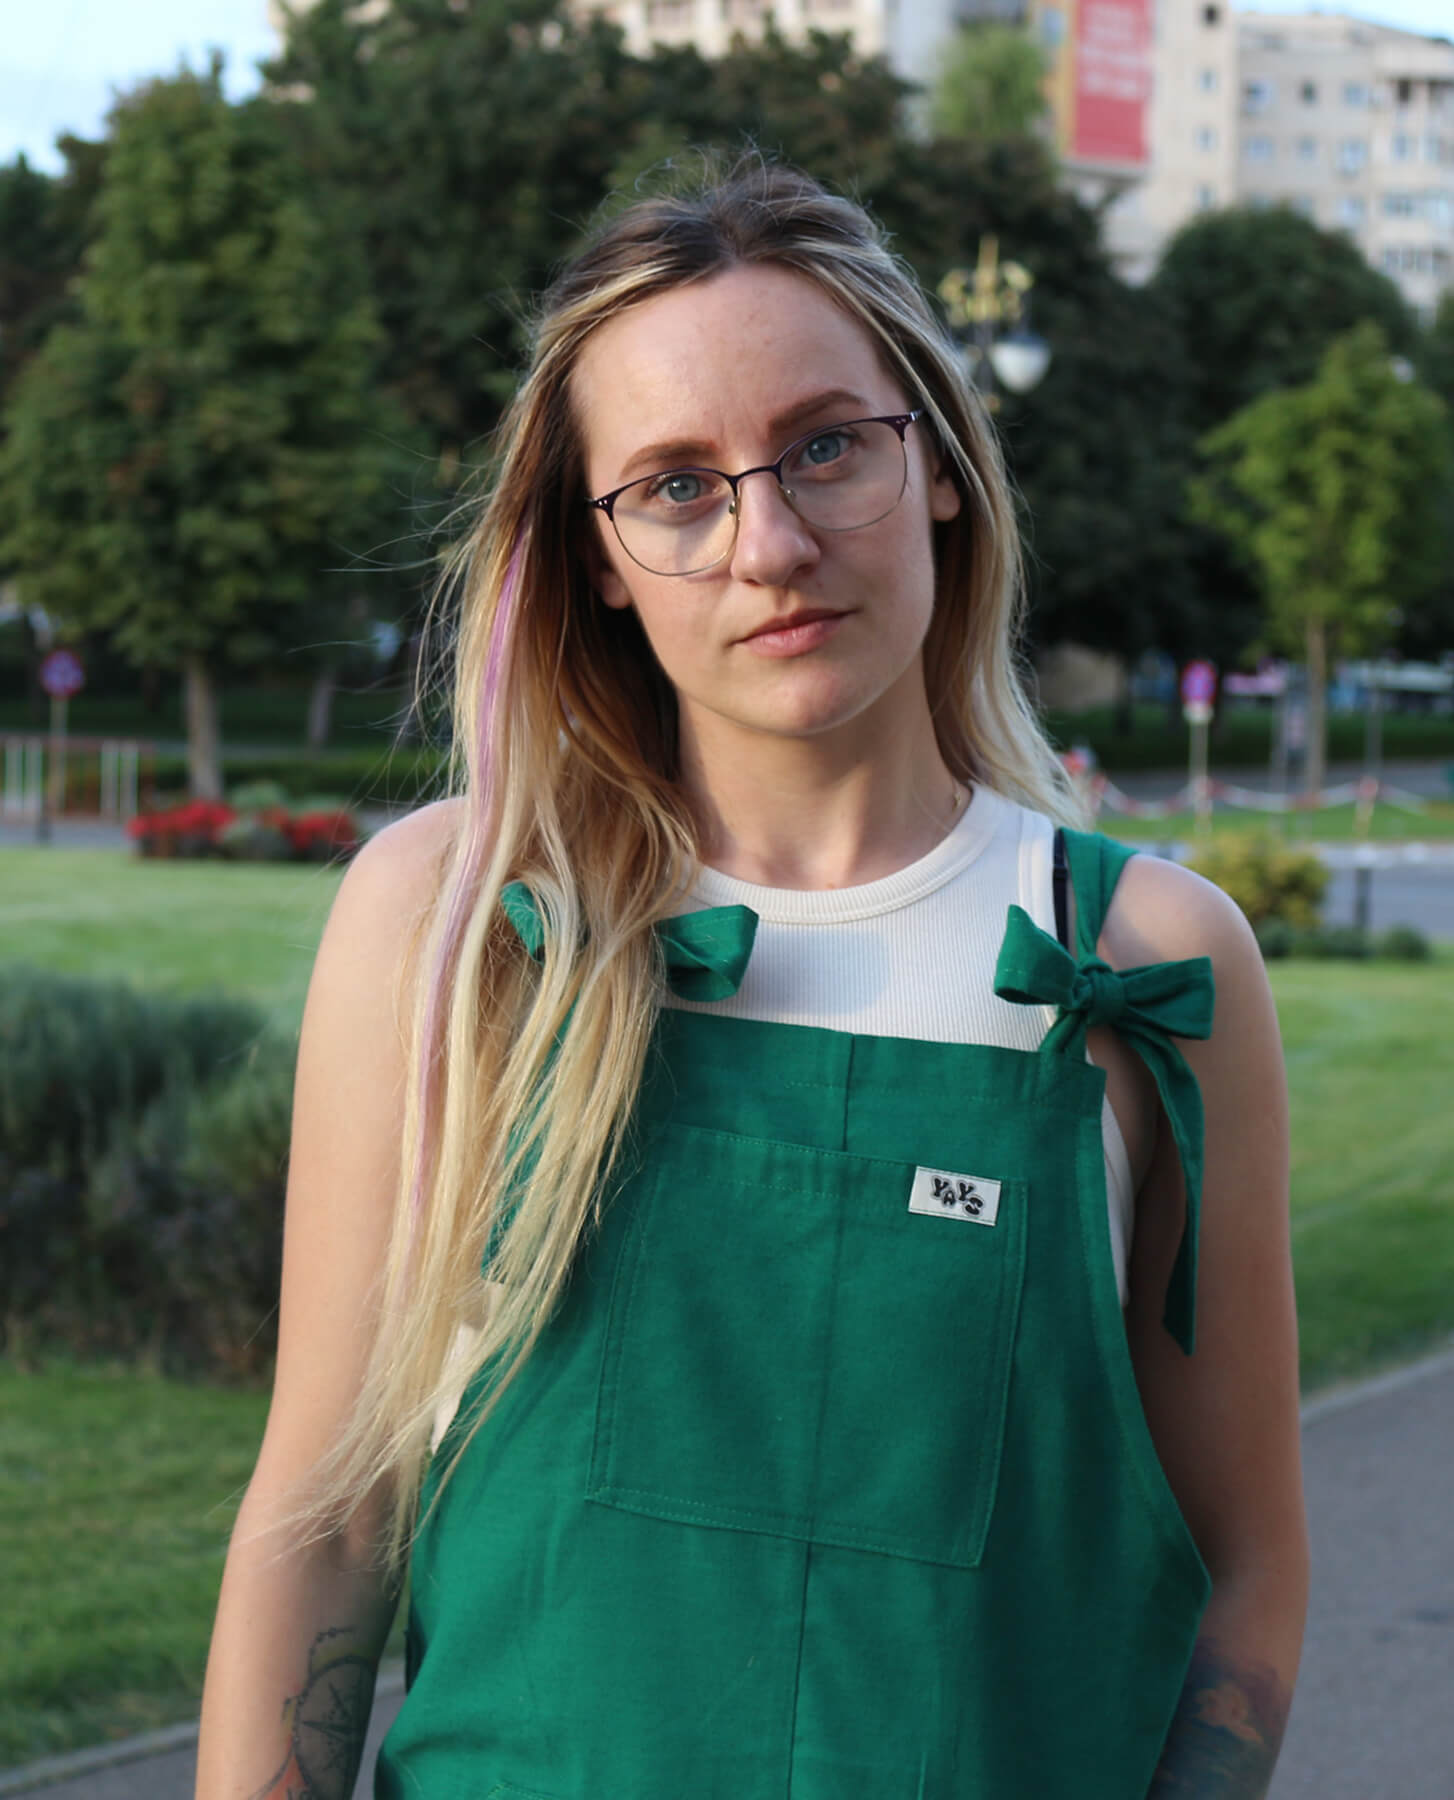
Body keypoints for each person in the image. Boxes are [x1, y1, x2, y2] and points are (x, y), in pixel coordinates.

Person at [196, 158, 1307, 1800]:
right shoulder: (447, 920)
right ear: (591, 555)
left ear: (933, 460)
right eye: (672, 485)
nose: (769, 542)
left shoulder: (1142, 961)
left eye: (825, 446)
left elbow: (1243, 1567)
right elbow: (326, 1517)